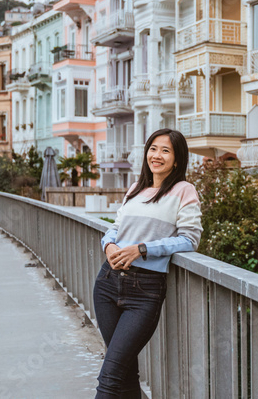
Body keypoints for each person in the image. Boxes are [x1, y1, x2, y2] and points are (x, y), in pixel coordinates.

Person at [92, 128, 202, 398]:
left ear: (176, 160)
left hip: (144, 291)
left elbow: (190, 239)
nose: (157, 155)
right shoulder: (136, 188)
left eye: (166, 150)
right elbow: (114, 228)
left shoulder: (183, 191)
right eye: (153, 148)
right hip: (107, 283)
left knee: (109, 376)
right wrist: (109, 245)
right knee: (126, 372)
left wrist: (142, 250)